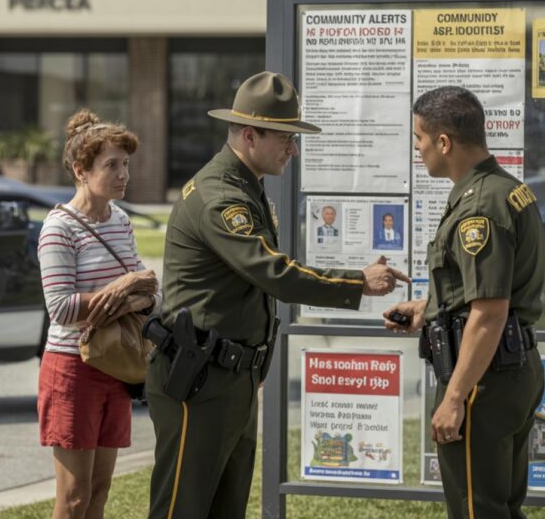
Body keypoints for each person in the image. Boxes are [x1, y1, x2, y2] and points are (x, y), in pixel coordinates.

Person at [146, 71, 408, 519]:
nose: (294, 149)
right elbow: (274, 274)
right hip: (199, 380)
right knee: (182, 510)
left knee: (226, 510)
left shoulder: (246, 188)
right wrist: (356, 283)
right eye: (285, 138)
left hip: (230, 377)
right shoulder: (220, 197)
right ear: (250, 135)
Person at [383, 86, 545, 519]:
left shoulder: (480, 208)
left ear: (443, 142)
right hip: (508, 366)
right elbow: (486, 291)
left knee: (477, 508)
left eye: (419, 138)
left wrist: (455, 397)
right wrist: (428, 308)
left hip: (483, 377)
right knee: (500, 505)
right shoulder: (503, 188)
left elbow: (490, 313)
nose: (417, 149)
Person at [37, 109, 162, 519]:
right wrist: (122, 291)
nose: (123, 173)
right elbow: (60, 308)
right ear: (80, 169)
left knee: (100, 491)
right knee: (73, 499)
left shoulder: (121, 221)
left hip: (118, 365)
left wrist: (132, 295)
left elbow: (147, 292)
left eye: (125, 164)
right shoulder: (59, 227)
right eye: (111, 165)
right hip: (73, 368)